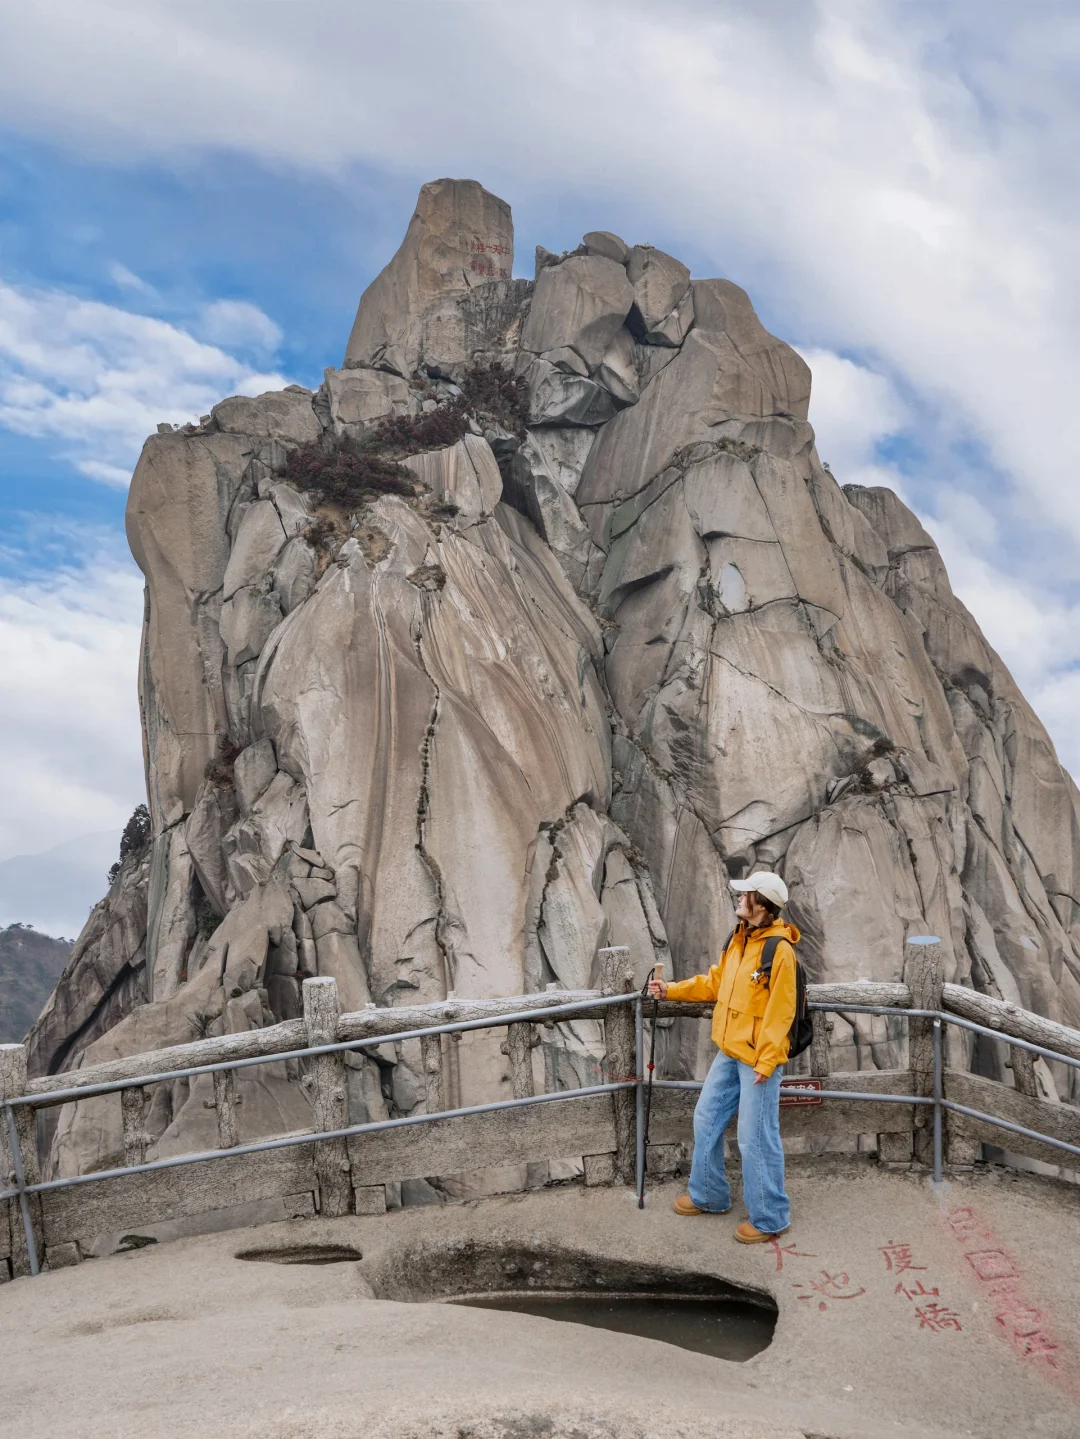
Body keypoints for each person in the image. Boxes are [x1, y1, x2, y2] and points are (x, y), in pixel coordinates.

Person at [648, 871, 798, 1243]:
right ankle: (710, 1195)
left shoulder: (779, 951)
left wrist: (766, 1062)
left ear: (760, 903)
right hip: (730, 1051)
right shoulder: (739, 939)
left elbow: (783, 1011)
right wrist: (671, 990)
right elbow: (715, 983)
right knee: (706, 1119)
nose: (738, 897)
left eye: (744, 894)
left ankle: (770, 1217)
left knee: (756, 1137)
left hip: (758, 1060)